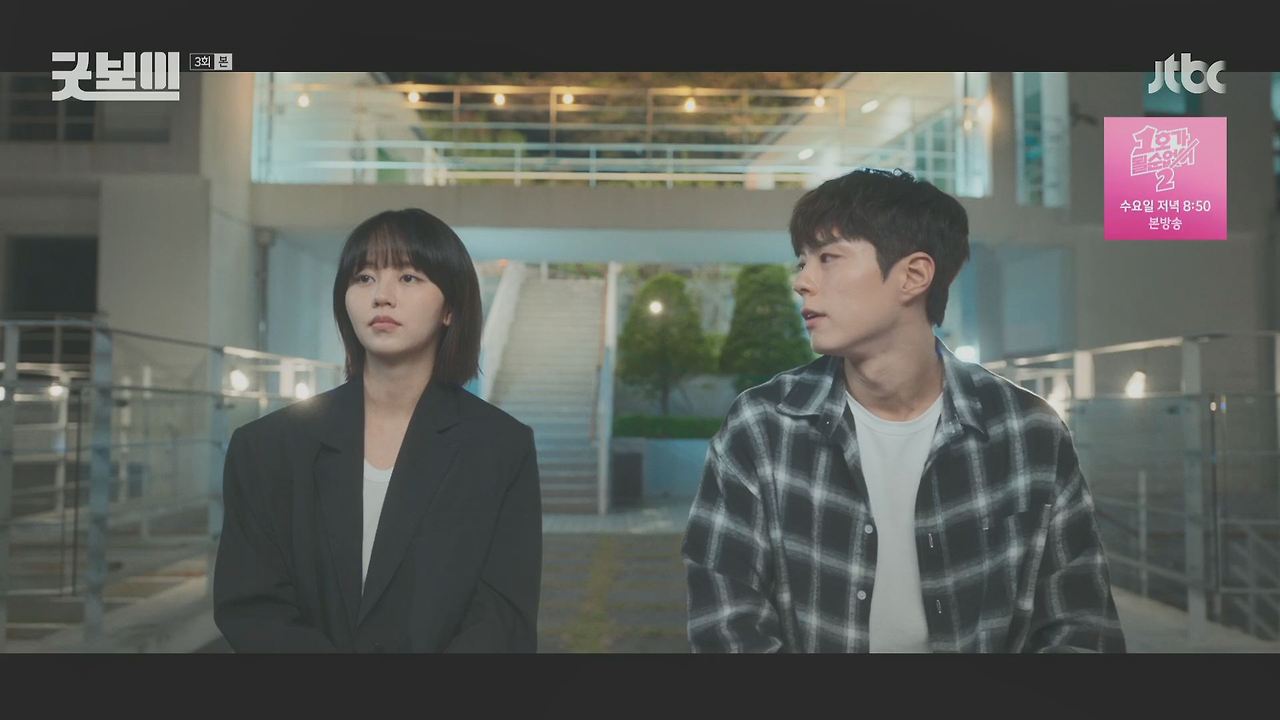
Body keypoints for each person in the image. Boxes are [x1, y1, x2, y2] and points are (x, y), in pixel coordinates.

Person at [683, 169, 1125, 653]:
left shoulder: (1027, 431)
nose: (802, 282)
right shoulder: (762, 427)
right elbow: (726, 628)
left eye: (828, 258)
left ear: (913, 276)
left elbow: (1081, 627)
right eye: (803, 261)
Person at [214, 208, 541, 652]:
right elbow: (251, 607)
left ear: (450, 308)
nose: (381, 296)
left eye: (408, 277)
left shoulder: (500, 447)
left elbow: (503, 619)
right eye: (364, 277)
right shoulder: (266, 447)